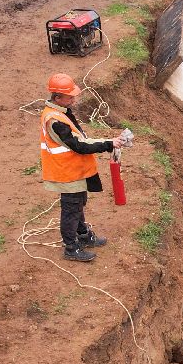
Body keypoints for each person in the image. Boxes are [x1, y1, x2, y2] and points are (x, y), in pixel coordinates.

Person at [39, 72, 132, 262]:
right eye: (70, 96)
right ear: (57, 97)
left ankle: (82, 234)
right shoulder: (55, 121)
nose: (73, 99)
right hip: (67, 173)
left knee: (78, 203)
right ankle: (71, 248)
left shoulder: (61, 112)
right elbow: (80, 146)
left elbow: (81, 139)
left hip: (74, 170)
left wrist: (108, 141)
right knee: (71, 208)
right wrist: (109, 144)